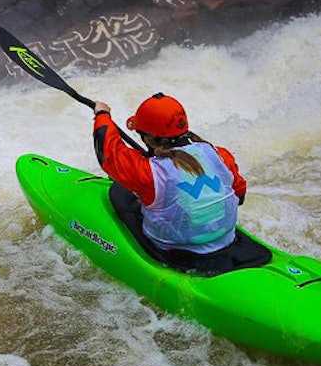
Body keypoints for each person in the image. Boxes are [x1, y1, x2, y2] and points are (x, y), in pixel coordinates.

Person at [91, 93, 248, 267]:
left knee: (120, 193)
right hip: (225, 239)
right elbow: (239, 195)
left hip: (175, 250)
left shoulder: (148, 173)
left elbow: (108, 154)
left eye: (141, 134)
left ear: (149, 138)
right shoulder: (219, 155)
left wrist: (102, 115)